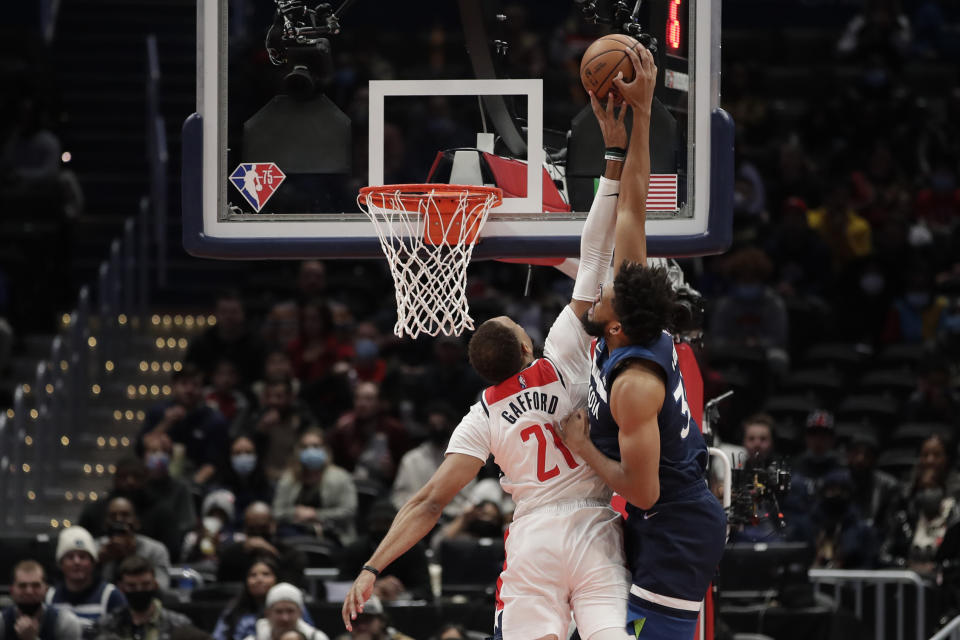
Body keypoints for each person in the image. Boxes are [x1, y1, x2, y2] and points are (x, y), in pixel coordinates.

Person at [341, 57, 643, 640]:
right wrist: (612, 160)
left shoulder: (479, 416)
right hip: (591, 524)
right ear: (526, 347)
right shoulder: (563, 356)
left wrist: (373, 565)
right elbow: (595, 252)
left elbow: (429, 502)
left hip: (532, 537)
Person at [555, 45, 727, 639]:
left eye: (602, 296)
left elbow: (643, 487)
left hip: (676, 524)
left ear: (618, 324)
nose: (596, 290)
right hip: (662, 517)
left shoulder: (633, 383)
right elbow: (634, 202)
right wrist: (637, 118)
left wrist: (582, 445)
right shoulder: (629, 308)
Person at [138, 365, 229, 486]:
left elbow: (213, 463)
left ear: (203, 389)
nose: (189, 390)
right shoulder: (158, 412)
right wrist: (165, 424)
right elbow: (140, 448)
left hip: (198, 482)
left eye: (195, 385)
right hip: (159, 478)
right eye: (184, 384)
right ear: (174, 386)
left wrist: (190, 487)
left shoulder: (214, 419)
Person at [273, 428, 357, 544]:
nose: (311, 450)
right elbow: (277, 512)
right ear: (299, 451)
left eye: (316, 446)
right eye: (305, 447)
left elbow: (348, 511)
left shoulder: (341, 477)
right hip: (294, 532)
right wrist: (295, 513)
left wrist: (316, 515)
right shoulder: (289, 478)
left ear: (325, 450)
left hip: (333, 534)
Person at [92, 556, 192, 640]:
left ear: (155, 584)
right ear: (121, 587)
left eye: (145, 584)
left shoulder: (179, 625)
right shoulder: (107, 625)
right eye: (132, 586)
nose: (139, 590)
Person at [45, 528, 127, 631]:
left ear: (93, 563)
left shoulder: (111, 595)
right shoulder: (49, 597)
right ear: (60, 564)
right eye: (70, 557)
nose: (77, 562)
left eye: (83, 557)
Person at [217, 503, 307, 587]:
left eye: (262, 527)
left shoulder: (291, 554)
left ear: (273, 526)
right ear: (245, 528)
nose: (257, 532)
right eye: (252, 528)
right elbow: (223, 586)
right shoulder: (231, 553)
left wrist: (271, 552)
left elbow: (290, 585)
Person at [96, 497, 172, 591]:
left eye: (125, 515)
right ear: (105, 522)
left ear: (136, 521)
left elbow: (162, 585)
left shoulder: (155, 550)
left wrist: (133, 557)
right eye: (113, 516)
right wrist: (98, 562)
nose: (119, 519)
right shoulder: (95, 548)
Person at [1, 560, 83, 640]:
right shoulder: (2, 623)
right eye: (22, 586)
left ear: (46, 590)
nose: (29, 591)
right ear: (12, 590)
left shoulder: (66, 623)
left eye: (36, 585)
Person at [212, 558, 280, 640]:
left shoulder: (287, 607)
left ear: (276, 578)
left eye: (266, 574)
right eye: (253, 575)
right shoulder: (233, 609)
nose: (259, 579)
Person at [243, 584, 328, 640]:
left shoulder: (317, 638)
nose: (285, 618)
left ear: (300, 612)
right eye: (279, 611)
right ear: (267, 613)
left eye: (290, 611)